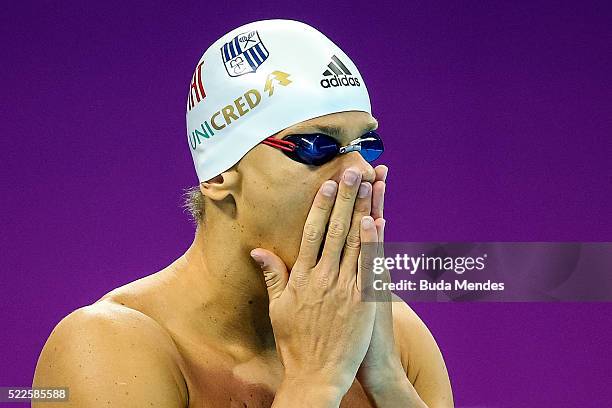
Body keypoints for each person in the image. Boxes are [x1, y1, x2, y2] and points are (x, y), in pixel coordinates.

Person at [33, 19, 453, 407]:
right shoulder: (108, 346)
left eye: (367, 144)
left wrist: (388, 381)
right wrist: (314, 382)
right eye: (315, 147)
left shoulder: (396, 338)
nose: (361, 170)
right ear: (218, 175)